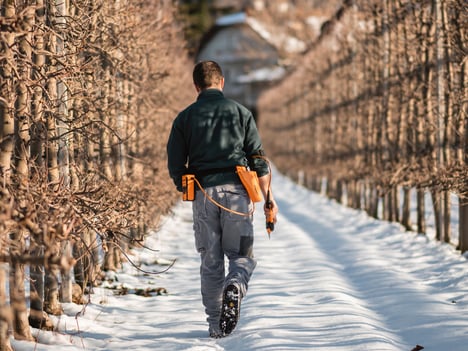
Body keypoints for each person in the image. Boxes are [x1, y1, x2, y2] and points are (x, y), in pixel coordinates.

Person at [166, 60, 278, 338]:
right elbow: (259, 160)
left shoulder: (184, 119)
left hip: (204, 195)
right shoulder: (241, 113)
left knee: (210, 261)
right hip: (238, 193)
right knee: (241, 255)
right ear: (222, 82)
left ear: (196, 86)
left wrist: (187, 182)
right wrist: (268, 199)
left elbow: (176, 166)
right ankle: (236, 286)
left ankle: (217, 325)